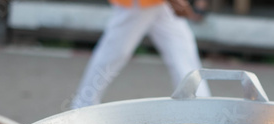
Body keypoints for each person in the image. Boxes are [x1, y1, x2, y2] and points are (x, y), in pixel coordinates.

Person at [71, 0, 210, 109]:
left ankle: (200, 106)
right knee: (114, 53)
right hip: (138, 3)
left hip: (158, 4)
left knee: (182, 52)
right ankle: (82, 105)